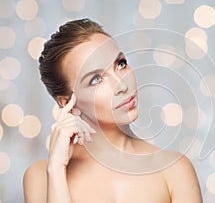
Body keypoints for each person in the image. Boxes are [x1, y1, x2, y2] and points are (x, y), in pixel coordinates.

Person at [23, 18, 202, 203]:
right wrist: (56, 170)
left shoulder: (174, 169)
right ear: (68, 102)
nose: (122, 85)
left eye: (121, 64)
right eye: (96, 79)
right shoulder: (40, 177)